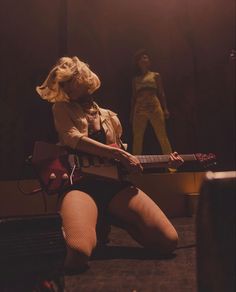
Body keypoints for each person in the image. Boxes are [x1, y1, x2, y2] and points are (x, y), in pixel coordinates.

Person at [36, 56, 184, 273]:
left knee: (168, 241)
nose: (65, 88)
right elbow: (71, 138)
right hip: (81, 187)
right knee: (78, 254)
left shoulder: (109, 116)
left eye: (69, 81)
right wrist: (117, 153)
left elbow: (125, 159)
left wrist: (165, 162)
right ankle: (90, 222)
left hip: (114, 186)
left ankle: (112, 216)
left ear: (83, 79)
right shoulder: (62, 108)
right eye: (63, 84)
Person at [130, 49, 173, 156]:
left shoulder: (155, 75)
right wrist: (131, 113)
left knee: (162, 135)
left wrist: (165, 108)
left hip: (154, 106)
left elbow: (161, 93)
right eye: (142, 58)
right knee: (138, 137)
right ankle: (135, 165)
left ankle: (172, 165)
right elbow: (133, 97)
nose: (145, 59)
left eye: (146, 57)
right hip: (139, 109)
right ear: (138, 62)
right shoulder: (135, 79)